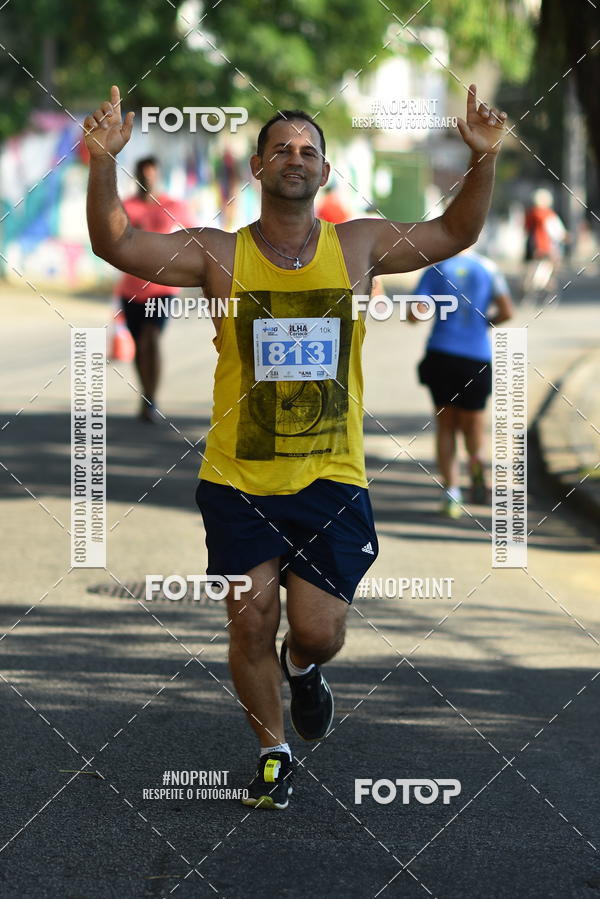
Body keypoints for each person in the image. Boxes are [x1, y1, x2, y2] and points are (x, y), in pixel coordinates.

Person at [85, 84, 507, 810]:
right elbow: (116, 242)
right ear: (257, 167)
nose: (295, 157)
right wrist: (100, 161)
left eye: (308, 149)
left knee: (319, 630)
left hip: (331, 477)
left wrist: (484, 160)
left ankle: (305, 669)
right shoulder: (218, 254)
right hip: (239, 477)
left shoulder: (359, 245)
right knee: (249, 615)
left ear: (325, 170)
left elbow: (454, 232)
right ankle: (272, 751)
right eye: (281, 147)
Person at [410, 249, 514, 518]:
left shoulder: (436, 268)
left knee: (445, 425)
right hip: (476, 356)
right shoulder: (488, 267)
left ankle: (451, 492)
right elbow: (507, 311)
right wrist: (481, 324)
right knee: (474, 425)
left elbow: (415, 314)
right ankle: (478, 475)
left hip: (441, 353)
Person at [115, 156, 193, 421]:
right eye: (143, 173)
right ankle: (145, 395)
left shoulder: (173, 205)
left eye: (152, 173)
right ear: (137, 175)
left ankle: (152, 399)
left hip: (163, 287)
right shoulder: (125, 206)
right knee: (138, 343)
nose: (148, 177)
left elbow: (194, 237)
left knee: (152, 337)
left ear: (158, 174)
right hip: (131, 288)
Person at [522, 188, 567, 303]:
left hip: (531, 248)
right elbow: (558, 233)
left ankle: (530, 295)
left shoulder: (530, 214)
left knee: (532, 272)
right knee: (546, 273)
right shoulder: (548, 215)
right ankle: (548, 294)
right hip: (544, 248)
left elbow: (525, 230)